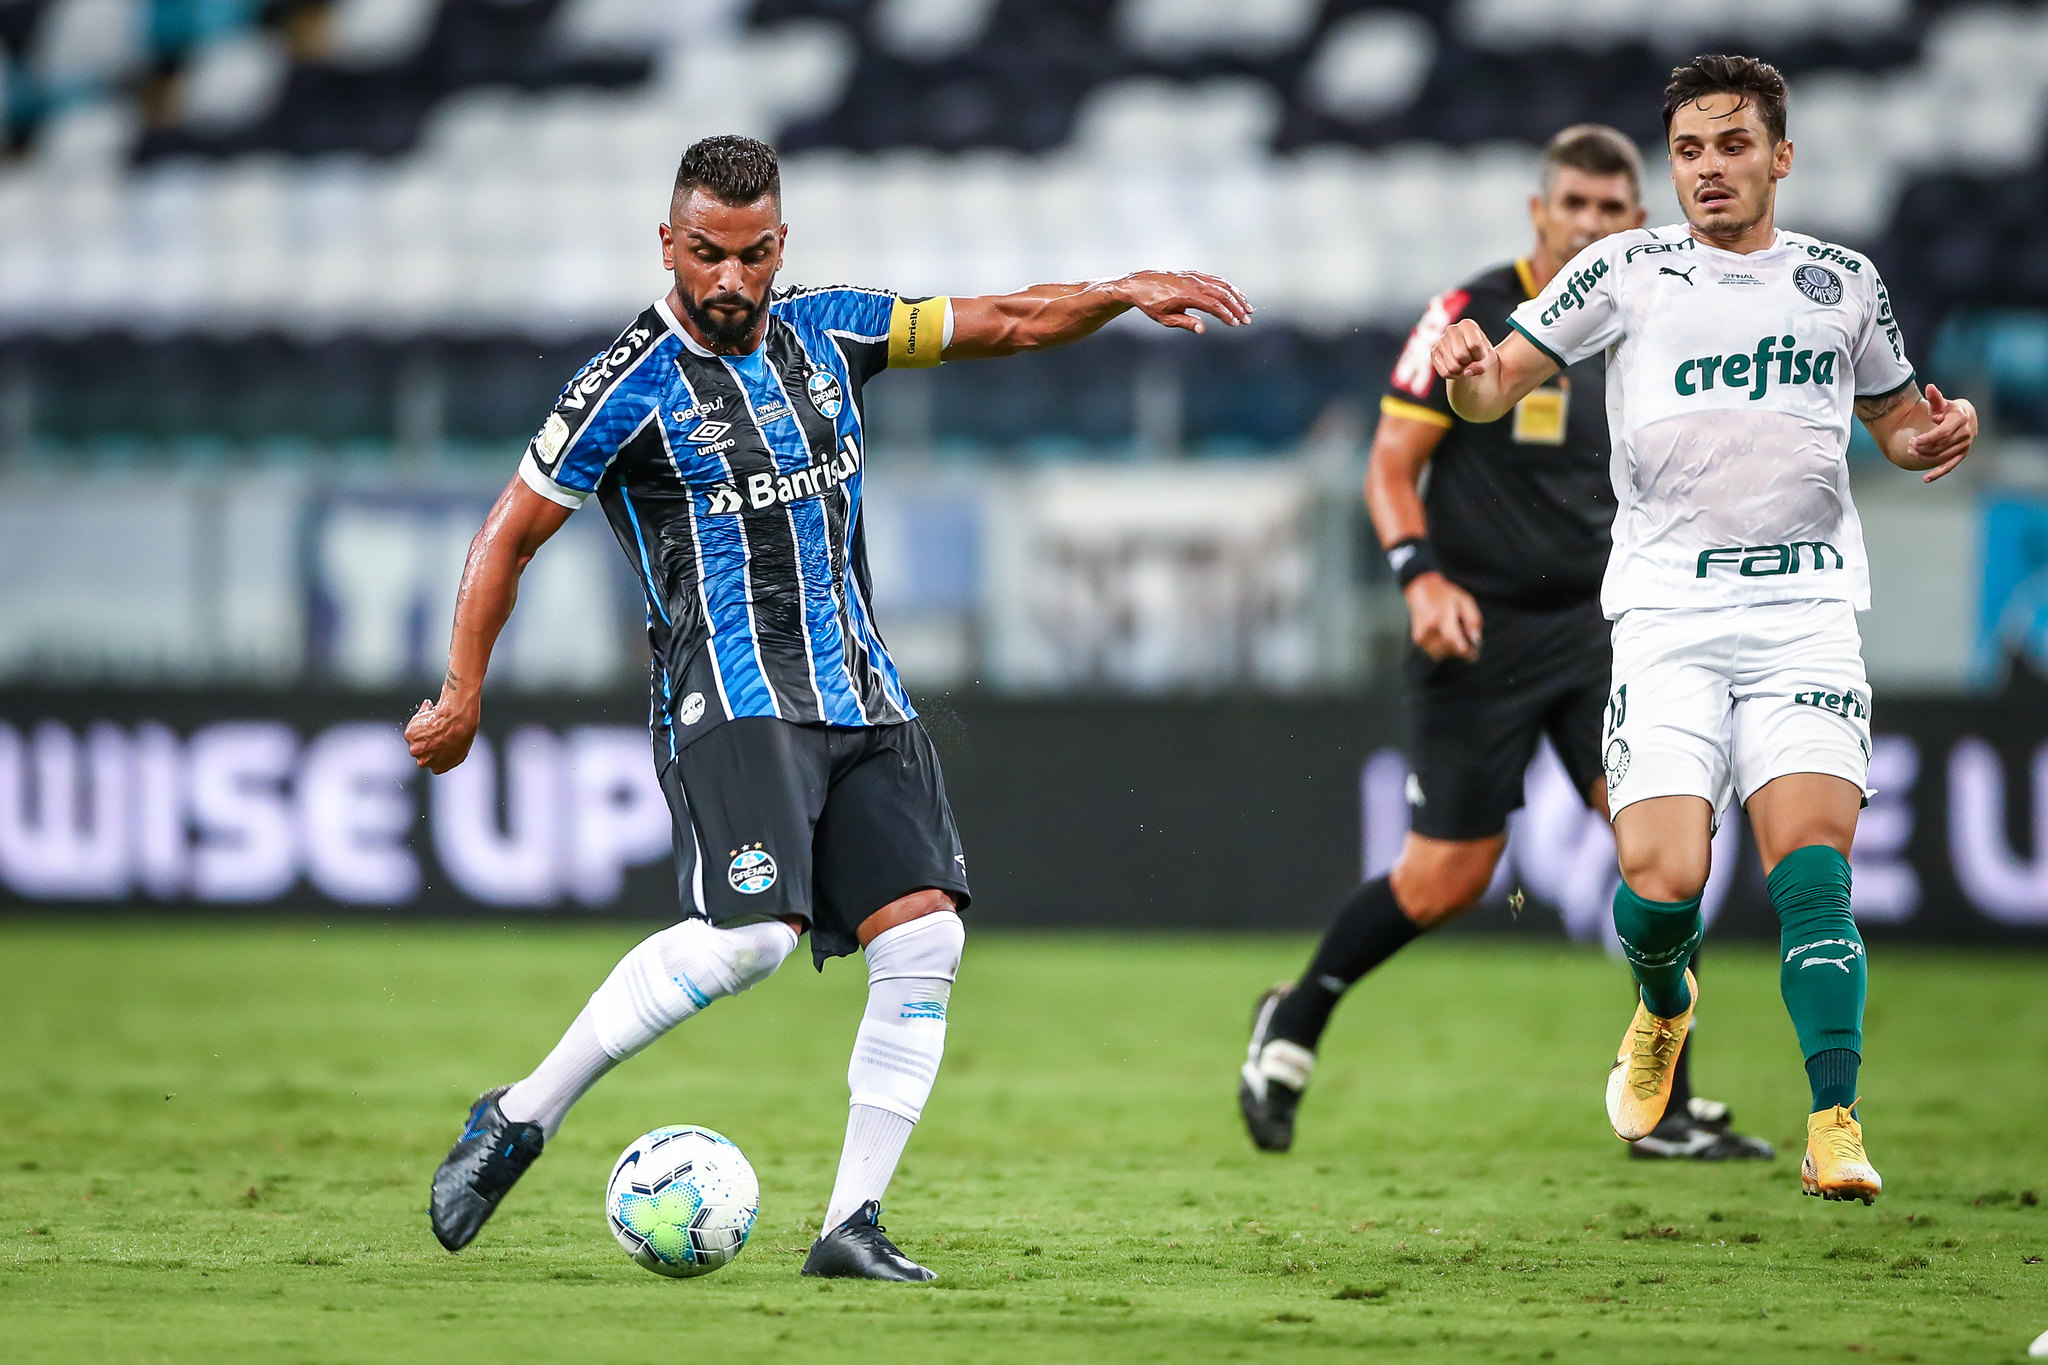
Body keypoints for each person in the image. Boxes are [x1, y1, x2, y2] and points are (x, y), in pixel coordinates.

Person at [410, 134, 1251, 1278]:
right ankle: (518, 1116)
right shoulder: (623, 387)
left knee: (927, 936)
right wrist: (464, 690)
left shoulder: (834, 327)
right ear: (668, 243)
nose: (729, 279)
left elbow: (1004, 319)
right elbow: (507, 531)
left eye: (752, 255)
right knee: (754, 939)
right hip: (731, 699)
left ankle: (848, 1226)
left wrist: (1112, 292)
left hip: (861, 691)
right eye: (705, 253)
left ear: (779, 246)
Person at [1430, 55, 1976, 1203]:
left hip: (1803, 611)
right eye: (1687, 151)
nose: (1709, 170)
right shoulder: (1621, 268)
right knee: (1662, 876)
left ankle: (1834, 1122)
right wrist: (1472, 376)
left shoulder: (1840, 283)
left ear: (1780, 155)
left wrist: (1930, 441)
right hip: (1668, 613)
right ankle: (1664, 999)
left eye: (1732, 146)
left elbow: (1891, 422)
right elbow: (1489, 391)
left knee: (1810, 876)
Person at [1239, 125, 1771, 1162]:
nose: (1590, 225)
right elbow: (1389, 467)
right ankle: (1292, 1018)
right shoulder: (1469, 318)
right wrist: (1418, 576)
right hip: (1474, 626)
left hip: (1604, 629)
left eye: (1610, 209)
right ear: (1539, 213)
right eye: (1571, 205)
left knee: (1660, 853)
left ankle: (1659, 1105)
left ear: (1636, 217)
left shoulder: (1660, 314)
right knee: (1447, 878)